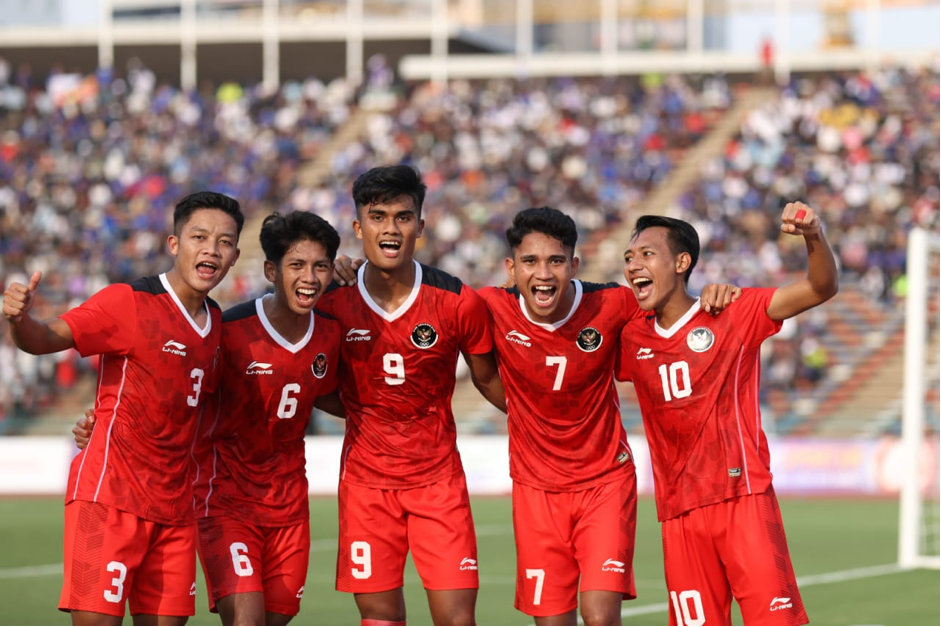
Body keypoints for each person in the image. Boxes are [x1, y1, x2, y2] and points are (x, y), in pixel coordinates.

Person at [477, 207, 738, 626]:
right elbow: (481, 371)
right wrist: (525, 412)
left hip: (605, 481)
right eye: (530, 261)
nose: (543, 274)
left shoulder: (613, 303)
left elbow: (672, 309)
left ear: (574, 266)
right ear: (511, 269)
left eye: (556, 261)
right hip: (535, 489)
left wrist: (710, 295)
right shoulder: (489, 306)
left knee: (599, 615)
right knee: (551, 621)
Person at [3, 191, 243, 626]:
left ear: (235, 257)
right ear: (174, 244)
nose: (211, 249)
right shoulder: (129, 301)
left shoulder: (217, 324)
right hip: (110, 497)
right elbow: (45, 339)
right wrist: (20, 321)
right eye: (199, 237)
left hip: (176, 509)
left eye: (224, 242)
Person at [615, 203, 838, 627]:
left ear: (682, 263)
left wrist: (813, 235)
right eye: (629, 257)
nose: (633, 265)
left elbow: (820, 287)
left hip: (743, 499)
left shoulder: (733, 311)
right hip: (678, 513)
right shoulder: (630, 336)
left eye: (646, 254)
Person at [316, 165, 505, 626]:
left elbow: (488, 380)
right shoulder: (330, 303)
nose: (391, 229)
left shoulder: (457, 300)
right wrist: (363, 410)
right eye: (378, 217)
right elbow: (310, 382)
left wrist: (543, 418)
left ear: (420, 226)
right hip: (366, 486)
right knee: (379, 618)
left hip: (438, 482)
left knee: (457, 620)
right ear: (358, 227)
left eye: (402, 217)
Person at [190, 211, 342, 625]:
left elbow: (330, 394)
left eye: (321, 266)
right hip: (226, 501)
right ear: (271, 271)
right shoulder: (229, 330)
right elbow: (182, 394)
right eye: (297, 265)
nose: (309, 277)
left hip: (289, 507)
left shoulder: (331, 332)